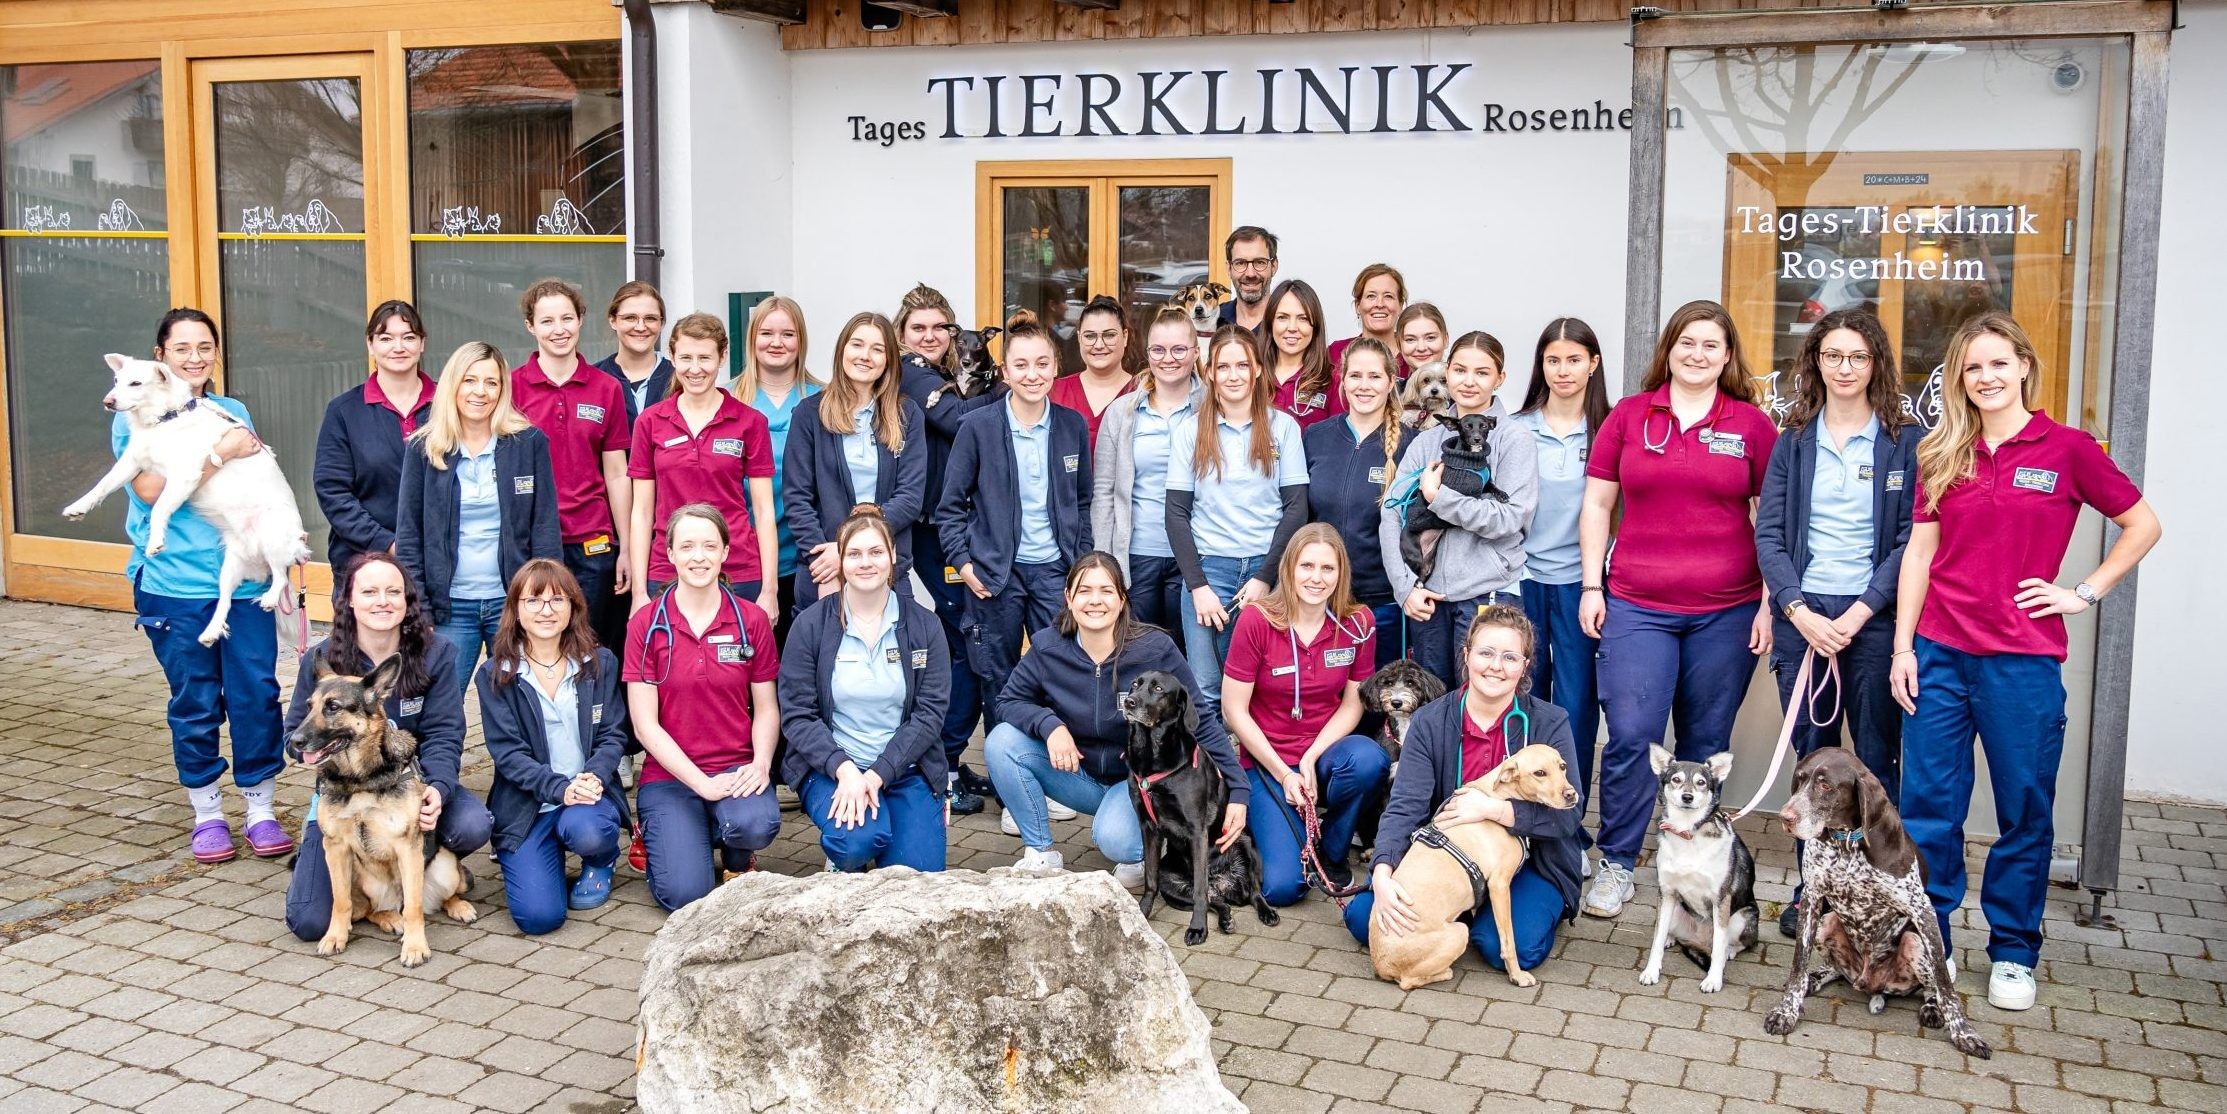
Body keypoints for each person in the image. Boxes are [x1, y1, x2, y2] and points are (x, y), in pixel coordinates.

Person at [1889, 312, 2160, 1011]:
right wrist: (1902, 648)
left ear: (2023, 367)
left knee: (2023, 810)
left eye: (1997, 364)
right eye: (1971, 368)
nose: (1985, 378)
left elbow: (2142, 523)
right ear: (1958, 379)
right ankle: (1931, 939)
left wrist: (2083, 592)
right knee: (1927, 810)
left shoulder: (2066, 448)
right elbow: (1919, 554)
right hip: (1940, 655)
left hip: (2021, 661)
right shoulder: (1941, 449)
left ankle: (2012, 948)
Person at [1577, 299, 1778, 919]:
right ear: (1669, 349)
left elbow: (1774, 522)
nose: (1697, 355)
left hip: (1728, 610)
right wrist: (1592, 586)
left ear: (1727, 356)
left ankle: (1695, 875)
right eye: (1687, 343)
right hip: (1638, 605)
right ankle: (1615, 862)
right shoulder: (1631, 417)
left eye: (1711, 345)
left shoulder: (1750, 425)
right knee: (1634, 737)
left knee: (1704, 744)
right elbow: (1596, 506)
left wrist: (1772, 604)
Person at [1754, 309, 1922, 938]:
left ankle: (1882, 891)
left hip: (1871, 619)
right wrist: (1796, 610)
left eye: (1858, 356)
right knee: (1812, 764)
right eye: (1832, 356)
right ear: (1815, 364)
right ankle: (1813, 892)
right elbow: (1768, 534)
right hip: (1804, 617)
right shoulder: (1794, 439)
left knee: (1876, 762)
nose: (1845, 368)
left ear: (1875, 363)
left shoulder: (1905, 440)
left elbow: (1911, 541)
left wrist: (1859, 611)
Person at [120, 308, 289, 863]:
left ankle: (260, 808)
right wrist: (220, 453)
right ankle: (208, 813)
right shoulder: (135, 411)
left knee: (257, 697)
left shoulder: (228, 409)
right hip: (174, 586)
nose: (195, 357)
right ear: (160, 356)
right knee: (194, 703)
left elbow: (261, 485)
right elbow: (147, 489)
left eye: (205, 347)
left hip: (242, 585)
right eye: (182, 348)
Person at [1344, 606, 1582, 975]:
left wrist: (1495, 811)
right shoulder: (1430, 720)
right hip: (1450, 862)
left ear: (1525, 665)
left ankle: (1479, 921)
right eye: (1485, 653)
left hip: (1530, 860)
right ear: (1466, 655)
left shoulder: (1549, 723)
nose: (1495, 666)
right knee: (1364, 916)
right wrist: (1383, 871)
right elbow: (1405, 806)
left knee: (1514, 947)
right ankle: (1457, 916)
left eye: (1509, 657)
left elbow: (1569, 815)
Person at [987, 552, 1247, 878]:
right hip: (1076, 774)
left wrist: (1238, 789)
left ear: (1122, 599)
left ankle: (1140, 844)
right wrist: (1049, 725)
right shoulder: (1047, 646)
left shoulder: (1154, 649)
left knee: (1116, 843)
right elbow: (1009, 701)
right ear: (1068, 597)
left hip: (1138, 783)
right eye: (1084, 591)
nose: (1095, 601)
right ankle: (1040, 852)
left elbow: (1201, 720)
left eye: (1106, 591)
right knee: (1001, 741)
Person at [284, 554, 494, 941]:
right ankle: (335, 872)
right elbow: (294, 736)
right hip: (340, 792)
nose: (382, 601)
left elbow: (446, 732)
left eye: (393, 591)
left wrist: (439, 789)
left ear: (407, 600)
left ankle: (429, 887)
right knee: (308, 922)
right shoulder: (323, 656)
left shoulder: (437, 651)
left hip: (405, 782)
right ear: (349, 599)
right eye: (369, 591)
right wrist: (308, 751)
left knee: (471, 825)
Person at [938, 310, 1094, 730]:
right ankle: (1009, 778)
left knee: (1061, 673)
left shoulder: (1071, 426)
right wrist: (966, 567)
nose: (1032, 374)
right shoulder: (977, 427)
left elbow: (1082, 502)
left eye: (1042, 364)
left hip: (1055, 573)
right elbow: (950, 507)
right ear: (1005, 371)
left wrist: (1078, 565)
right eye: (1021, 365)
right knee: (999, 679)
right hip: (994, 576)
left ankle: (1061, 777)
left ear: (1056, 367)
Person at [624, 505, 782, 911]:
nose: (699, 556)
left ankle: (734, 853)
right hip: (670, 777)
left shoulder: (751, 621)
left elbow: (766, 708)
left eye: (710, 546)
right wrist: (700, 783)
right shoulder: (646, 624)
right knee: (684, 895)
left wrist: (761, 763)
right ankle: (671, 830)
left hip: (735, 768)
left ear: (726, 552)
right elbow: (645, 727)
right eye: (688, 546)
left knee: (753, 824)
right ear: (670, 554)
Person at [1221, 526, 1389, 903]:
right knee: (1282, 889)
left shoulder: (1359, 623)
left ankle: (1331, 850)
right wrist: (1284, 772)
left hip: (1325, 753)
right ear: (1289, 569)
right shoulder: (1257, 619)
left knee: (1368, 759)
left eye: (1328, 568)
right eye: (1307, 566)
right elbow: (1232, 709)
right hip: (1267, 761)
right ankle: (1277, 826)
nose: (1316, 578)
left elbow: (1353, 703)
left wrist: (1311, 757)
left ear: (1341, 573)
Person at [779, 508, 952, 872]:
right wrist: (844, 770)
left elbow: (929, 715)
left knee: (917, 876)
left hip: (905, 768)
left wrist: (877, 775)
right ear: (840, 560)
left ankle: (893, 816)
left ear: (892, 556)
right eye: (854, 554)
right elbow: (797, 715)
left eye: (875, 552)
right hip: (834, 769)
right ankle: (845, 850)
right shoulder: (811, 626)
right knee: (857, 842)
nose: (865, 563)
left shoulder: (925, 625)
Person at [894, 283, 1005, 814]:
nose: (931, 336)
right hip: (936, 528)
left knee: (972, 637)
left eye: (941, 327)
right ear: (903, 335)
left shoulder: (949, 376)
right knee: (965, 638)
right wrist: (996, 392)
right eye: (919, 328)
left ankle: (960, 762)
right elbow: (964, 422)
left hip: (965, 523)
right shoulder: (911, 374)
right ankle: (945, 760)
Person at [1379, 331, 1539, 691]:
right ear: (1447, 372)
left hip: (1489, 592)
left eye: (1482, 372)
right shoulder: (1428, 440)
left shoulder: (1513, 439)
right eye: (1460, 370)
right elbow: (1391, 511)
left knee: (1485, 698)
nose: (1469, 382)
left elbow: (1510, 519)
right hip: (1430, 598)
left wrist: (1441, 499)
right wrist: (1404, 588)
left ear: (1500, 378)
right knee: (1434, 700)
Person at [397, 341, 561, 690]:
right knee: (441, 706)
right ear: (453, 385)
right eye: (470, 381)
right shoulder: (423, 448)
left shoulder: (528, 443)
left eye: (492, 382)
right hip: (449, 608)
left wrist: (544, 599)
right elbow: (410, 536)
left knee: (521, 703)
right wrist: (419, 608)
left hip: (513, 603)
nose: (480, 392)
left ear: (503, 389)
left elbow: (544, 526)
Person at [477, 559, 630, 933]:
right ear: (515, 609)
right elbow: (508, 755)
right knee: (539, 918)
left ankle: (601, 859)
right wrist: (562, 789)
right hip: (530, 805)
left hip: (588, 798)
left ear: (574, 608)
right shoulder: (496, 674)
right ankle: (540, 858)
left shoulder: (599, 662)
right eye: (533, 600)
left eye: (557, 600)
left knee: (589, 831)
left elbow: (614, 733)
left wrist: (592, 777)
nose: (546, 610)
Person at [1165, 325, 1310, 716]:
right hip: (1209, 571)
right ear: (1209, 371)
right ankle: (1216, 775)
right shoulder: (1189, 430)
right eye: (1223, 366)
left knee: (1261, 684)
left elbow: (1296, 507)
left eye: (1242, 366)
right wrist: (1198, 586)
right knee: (1207, 689)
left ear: (1258, 370)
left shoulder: (1283, 428)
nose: (1233, 375)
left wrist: (1265, 578)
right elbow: (1176, 513)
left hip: (1269, 571)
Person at [1512, 317, 1610, 826]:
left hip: (1581, 585)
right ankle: (1525, 819)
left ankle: (1569, 826)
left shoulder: (1610, 428)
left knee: (1574, 706)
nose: (1563, 370)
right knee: (1523, 700)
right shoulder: (1515, 427)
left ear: (1593, 364)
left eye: (1574, 359)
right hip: (1523, 581)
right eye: (1553, 360)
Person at [627, 313, 777, 623]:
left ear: (722, 357)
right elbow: (641, 512)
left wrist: (770, 590)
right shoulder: (650, 423)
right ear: (672, 357)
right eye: (686, 358)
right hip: (667, 568)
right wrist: (639, 592)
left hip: (737, 569)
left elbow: (763, 512)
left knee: (740, 665)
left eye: (705, 358)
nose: (695, 369)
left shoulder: (750, 422)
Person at [510, 278, 632, 651]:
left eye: (567, 318)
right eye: (547, 321)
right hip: (534, 541)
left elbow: (616, 472)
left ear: (581, 319)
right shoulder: (512, 388)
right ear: (530, 326)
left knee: (592, 644)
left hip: (593, 541)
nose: (558, 329)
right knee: (539, 645)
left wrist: (625, 546)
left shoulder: (606, 387)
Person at [783, 311, 927, 612]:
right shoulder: (809, 414)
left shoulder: (907, 415)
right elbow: (797, 498)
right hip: (824, 567)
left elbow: (910, 497)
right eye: (857, 345)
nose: (866, 356)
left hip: (887, 569)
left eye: (877, 349)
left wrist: (851, 549)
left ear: (889, 359)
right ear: (842, 350)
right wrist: (829, 558)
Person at [1094, 306, 1205, 631]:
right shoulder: (1121, 413)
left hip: (1195, 557)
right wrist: (1104, 563)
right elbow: (1103, 492)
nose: (1168, 358)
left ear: (1195, 352)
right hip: (1137, 555)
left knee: (1189, 657)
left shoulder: (1213, 409)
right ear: (1147, 353)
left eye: (1179, 349)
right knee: (1137, 655)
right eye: (1158, 350)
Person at [1303, 337, 1406, 665]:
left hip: (1383, 605)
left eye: (1375, 376)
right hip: (1320, 599)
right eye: (1355, 376)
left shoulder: (1412, 446)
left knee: (1380, 700)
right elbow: (1298, 516)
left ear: (1391, 382)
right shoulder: (1316, 437)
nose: (1364, 386)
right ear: (1342, 381)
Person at [315, 300, 433, 582]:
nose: (398, 347)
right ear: (370, 344)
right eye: (386, 338)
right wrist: (387, 544)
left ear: (422, 343)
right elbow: (333, 491)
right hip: (363, 564)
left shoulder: (449, 404)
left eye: (408, 337)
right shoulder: (345, 411)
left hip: (438, 563)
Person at [731, 295, 818, 643]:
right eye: (767, 333)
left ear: (802, 340)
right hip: (742, 558)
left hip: (806, 557)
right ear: (752, 338)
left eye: (788, 334)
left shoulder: (824, 401)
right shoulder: (727, 399)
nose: (777, 343)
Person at [1049, 295, 1139, 448]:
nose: (1098, 345)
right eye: (1090, 336)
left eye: (1109, 335)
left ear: (1125, 337)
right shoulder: (1054, 392)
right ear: (1079, 338)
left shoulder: (1142, 392)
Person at [1263, 279, 1341, 428]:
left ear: (1315, 326)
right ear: (1269, 322)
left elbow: (1338, 442)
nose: (1292, 327)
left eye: (1303, 318)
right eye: (1282, 317)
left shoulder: (1332, 380)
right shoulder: (1251, 375)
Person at [593, 280, 674, 424]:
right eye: (630, 318)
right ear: (612, 321)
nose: (641, 327)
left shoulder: (679, 379)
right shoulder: (592, 379)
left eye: (650, 318)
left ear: (661, 324)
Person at [1327, 263, 1406, 371]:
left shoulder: (1413, 354)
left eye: (1388, 296)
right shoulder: (1335, 353)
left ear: (1401, 306)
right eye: (1371, 296)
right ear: (1357, 306)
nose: (1380, 304)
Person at [1218, 226, 1280, 331]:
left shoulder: (1288, 323)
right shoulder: (1213, 320)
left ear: (1274, 266)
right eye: (1240, 263)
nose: (1250, 274)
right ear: (1229, 268)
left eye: (1260, 262)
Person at [1396, 303, 1449, 382]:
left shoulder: (1463, 391)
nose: (1421, 348)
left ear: (1446, 340)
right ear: (1399, 344)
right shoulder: (1390, 393)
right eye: (1410, 339)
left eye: (1430, 338)